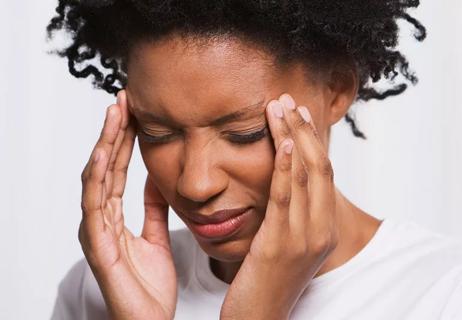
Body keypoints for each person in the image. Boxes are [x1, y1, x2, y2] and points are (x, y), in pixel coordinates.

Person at [46, 1, 462, 319]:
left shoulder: (442, 294)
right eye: (158, 133)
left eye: (243, 133)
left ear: (335, 91)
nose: (196, 184)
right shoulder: (102, 290)